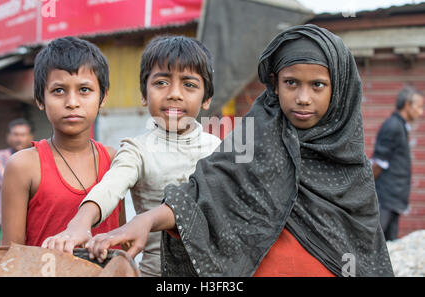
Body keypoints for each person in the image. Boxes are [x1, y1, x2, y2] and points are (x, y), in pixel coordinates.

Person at [84, 24, 394, 277]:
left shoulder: (351, 170)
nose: (302, 97)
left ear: (339, 90)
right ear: (274, 84)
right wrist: (146, 221)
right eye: (291, 83)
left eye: (317, 86)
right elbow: (210, 194)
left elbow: (365, 254)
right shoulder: (254, 141)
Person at [41, 35, 222, 277]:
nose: (174, 94)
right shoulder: (137, 150)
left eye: (189, 84)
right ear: (144, 95)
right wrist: (80, 223)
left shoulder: (220, 149)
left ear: (207, 98)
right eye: (161, 83)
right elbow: (110, 187)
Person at [1, 36, 124, 247]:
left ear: (103, 97)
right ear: (40, 99)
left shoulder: (115, 160)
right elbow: (10, 256)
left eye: (84, 90)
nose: (72, 103)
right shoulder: (23, 166)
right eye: (59, 91)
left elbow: (119, 241)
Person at [372, 86, 424, 241]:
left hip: (394, 199)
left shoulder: (400, 126)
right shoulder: (393, 126)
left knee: (391, 244)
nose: (421, 112)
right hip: (385, 198)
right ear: (408, 105)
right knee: (377, 242)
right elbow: (378, 163)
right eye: (419, 107)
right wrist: (368, 190)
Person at [0, 118, 33, 245]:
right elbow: (10, 186)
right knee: (5, 259)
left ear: (30, 136)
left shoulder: (35, 156)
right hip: (5, 220)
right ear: (8, 137)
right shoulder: (1, 157)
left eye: (23, 135)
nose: (19, 139)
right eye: (15, 134)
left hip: (31, 222)